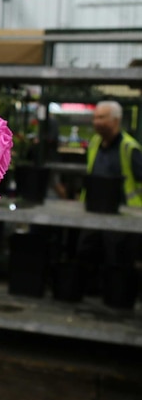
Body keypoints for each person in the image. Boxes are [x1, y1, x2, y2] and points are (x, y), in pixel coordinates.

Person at [75, 100, 142, 297]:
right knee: (86, 253)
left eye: (102, 117)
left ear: (116, 121)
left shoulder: (130, 148)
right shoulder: (95, 143)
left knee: (117, 260)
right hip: (93, 211)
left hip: (123, 215)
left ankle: (114, 298)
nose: (96, 122)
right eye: (95, 117)